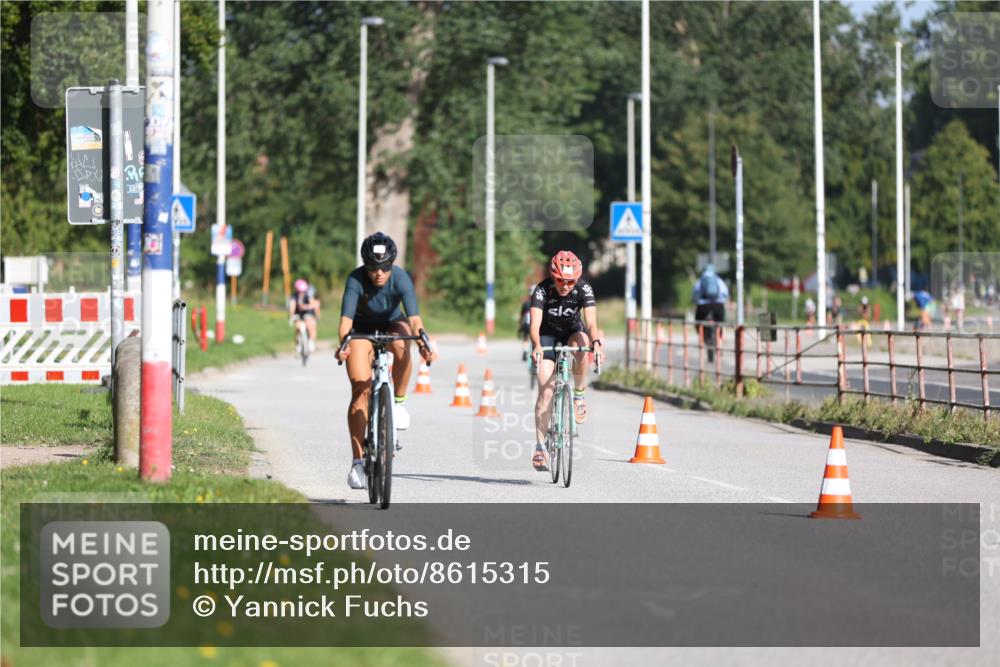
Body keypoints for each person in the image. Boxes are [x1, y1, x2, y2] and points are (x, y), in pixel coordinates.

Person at [335, 232, 433, 490]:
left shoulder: (401, 278)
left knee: (402, 345)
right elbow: (345, 322)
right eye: (373, 267)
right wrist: (344, 343)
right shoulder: (355, 279)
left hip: (392, 322)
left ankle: (398, 402)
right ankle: (358, 462)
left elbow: (414, 319)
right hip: (362, 329)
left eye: (385, 267)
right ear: (365, 265)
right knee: (360, 389)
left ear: (392, 264)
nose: (379, 273)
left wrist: (423, 342)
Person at [529, 251, 603, 472]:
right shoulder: (542, 290)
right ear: (553, 276)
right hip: (547, 336)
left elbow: (591, 322)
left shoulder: (584, 288)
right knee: (546, 391)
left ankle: (579, 395)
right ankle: (540, 446)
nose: (565, 285)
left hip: (572, 331)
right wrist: (537, 346)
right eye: (560, 280)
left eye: (570, 281)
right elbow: (534, 325)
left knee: (583, 342)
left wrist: (597, 342)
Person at [691, 264, 729, 362]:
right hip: (718, 305)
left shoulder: (701, 280)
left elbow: (695, 293)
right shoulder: (718, 280)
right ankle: (720, 345)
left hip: (703, 306)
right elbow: (725, 292)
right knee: (720, 325)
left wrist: (696, 301)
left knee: (698, 324)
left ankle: (701, 341)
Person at [288, 278, 320, 352]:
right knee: (298, 327)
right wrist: (291, 316)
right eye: (299, 292)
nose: (301, 293)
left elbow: (314, 304)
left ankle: (311, 342)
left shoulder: (308, 295)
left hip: (308, 314)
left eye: (302, 291)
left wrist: (306, 307)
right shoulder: (294, 296)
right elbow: (292, 307)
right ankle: (298, 345)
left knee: (310, 324)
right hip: (298, 315)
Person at [518, 285, 535, 361]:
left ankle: (525, 351)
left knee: (526, 338)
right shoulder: (540, 303)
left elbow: (522, 316)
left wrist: (520, 325)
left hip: (526, 324)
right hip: (535, 324)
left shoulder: (526, 304)